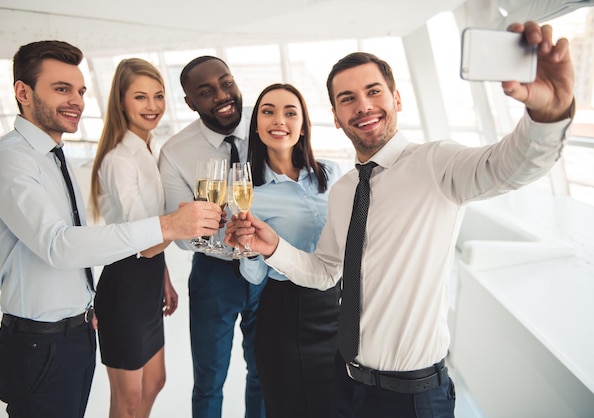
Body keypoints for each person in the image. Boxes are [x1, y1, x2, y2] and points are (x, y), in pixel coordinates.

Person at [226, 21, 574, 418]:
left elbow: (509, 165)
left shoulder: (436, 164)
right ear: (337, 118)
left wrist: (548, 114)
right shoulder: (342, 191)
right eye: (347, 98)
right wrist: (272, 247)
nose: (363, 105)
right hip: (345, 384)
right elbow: (324, 271)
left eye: (373, 92)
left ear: (397, 98)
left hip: (413, 397)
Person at [0, 40, 221, 418]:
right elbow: (58, 245)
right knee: (126, 401)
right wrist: (170, 225)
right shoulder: (9, 162)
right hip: (40, 340)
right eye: (61, 89)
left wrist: (88, 300)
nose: (77, 100)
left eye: (81, 91)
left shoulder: (54, 156)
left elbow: (80, 242)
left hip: (75, 329)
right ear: (22, 93)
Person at [158, 56, 265, 418]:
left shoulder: (265, 121)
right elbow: (181, 234)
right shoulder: (175, 152)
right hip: (214, 274)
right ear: (190, 103)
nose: (222, 95)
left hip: (269, 268)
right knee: (209, 380)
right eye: (205, 92)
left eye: (226, 82)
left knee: (264, 372)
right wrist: (204, 228)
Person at [239, 83, 343, 417]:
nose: (278, 120)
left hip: (338, 308)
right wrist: (250, 250)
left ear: (302, 126)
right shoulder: (247, 192)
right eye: (268, 111)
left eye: (290, 112)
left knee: (339, 405)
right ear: (256, 125)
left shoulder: (332, 174)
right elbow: (254, 276)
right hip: (285, 311)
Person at [89, 58, 177, 418]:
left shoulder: (151, 149)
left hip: (149, 279)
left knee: (155, 381)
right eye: (141, 97)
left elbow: (153, 225)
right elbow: (141, 239)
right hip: (124, 286)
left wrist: (165, 278)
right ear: (121, 102)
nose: (152, 106)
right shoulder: (118, 159)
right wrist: (187, 225)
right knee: (126, 400)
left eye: (158, 96)